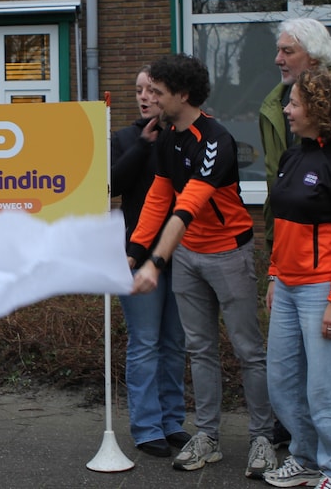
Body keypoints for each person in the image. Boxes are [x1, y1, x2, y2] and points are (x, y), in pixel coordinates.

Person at [127, 53, 277, 479]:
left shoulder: (215, 139)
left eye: (157, 91)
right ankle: (208, 435)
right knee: (199, 349)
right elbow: (159, 198)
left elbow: (189, 203)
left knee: (248, 350)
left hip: (228, 253)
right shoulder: (168, 136)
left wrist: (156, 261)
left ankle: (262, 437)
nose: (148, 97)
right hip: (189, 257)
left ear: (182, 94)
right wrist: (134, 254)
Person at [257, 18, 331, 467]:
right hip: (287, 284)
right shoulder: (292, 156)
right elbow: (282, 219)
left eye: (294, 104)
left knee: (329, 385)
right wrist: (273, 275)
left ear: (318, 108)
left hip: (323, 287)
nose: (286, 110)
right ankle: (305, 460)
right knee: (284, 383)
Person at [110, 67, 189, 458]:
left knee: (175, 341)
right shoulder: (125, 138)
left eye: (151, 90)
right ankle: (145, 427)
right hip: (137, 256)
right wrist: (142, 145)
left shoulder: (183, 137)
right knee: (145, 341)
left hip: (181, 253)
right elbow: (112, 185)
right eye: (138, 89)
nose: (143, 96)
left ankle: (173, 422)